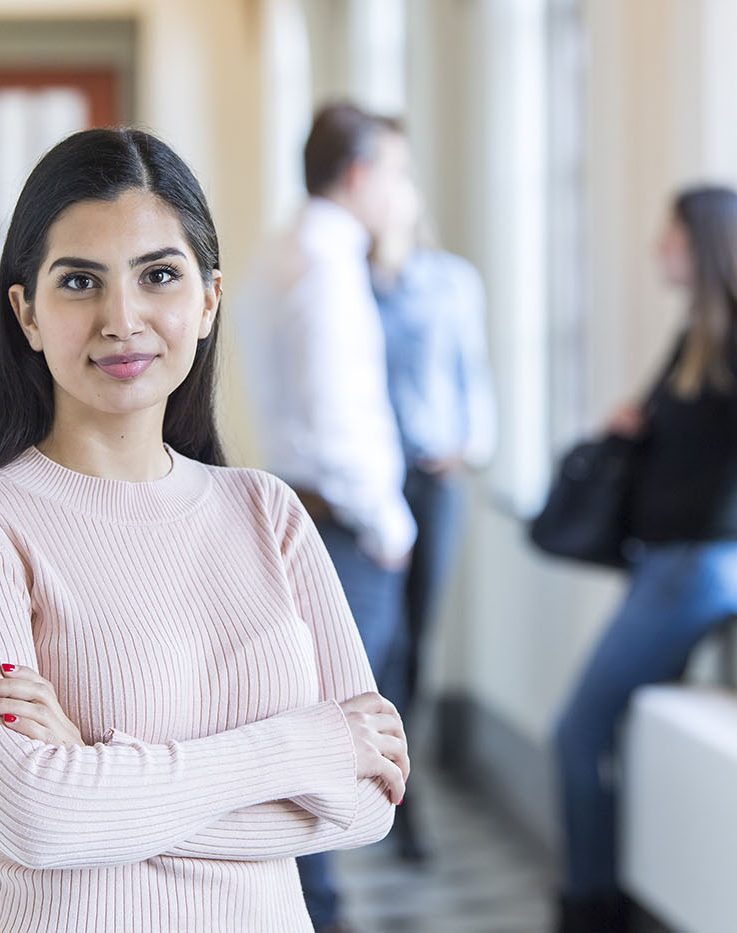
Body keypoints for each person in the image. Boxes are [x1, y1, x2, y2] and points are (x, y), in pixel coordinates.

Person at [0, 127, 409, 932]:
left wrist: (94, 775)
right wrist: (306, 745)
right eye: (79, 282)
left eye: (159, 276)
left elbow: (373, 797)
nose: (123, 318)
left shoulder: (267, 510)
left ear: (208, 300)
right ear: (26, 312)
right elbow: (38, 818)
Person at [553, 186, 737, 933]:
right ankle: (607, 897)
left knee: (575, 733)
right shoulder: (695, 342)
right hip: (668, 567)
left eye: (668, 237)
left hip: (699, 570)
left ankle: (589, 910)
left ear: (704, 247)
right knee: (608, 737)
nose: (656, 250)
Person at [238, 101, 418, 931]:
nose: (400, 192)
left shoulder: (286, 248)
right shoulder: (329, 259)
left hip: (306, 504)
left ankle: (312, 899)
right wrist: (390, 523)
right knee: (339, 728)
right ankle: (318, 907)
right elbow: (340, 411)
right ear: (357, 176)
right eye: (395, 173)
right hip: (343, 520)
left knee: (313, 717)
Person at [370, 180, 496, 862]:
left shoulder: (452, 282)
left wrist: (471, 445)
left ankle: (405, 794)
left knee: (417, 639)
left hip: (437, 481)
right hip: (371, 486)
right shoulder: (350, 284)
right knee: (375, 638)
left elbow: (473, 373)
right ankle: (367, 780)